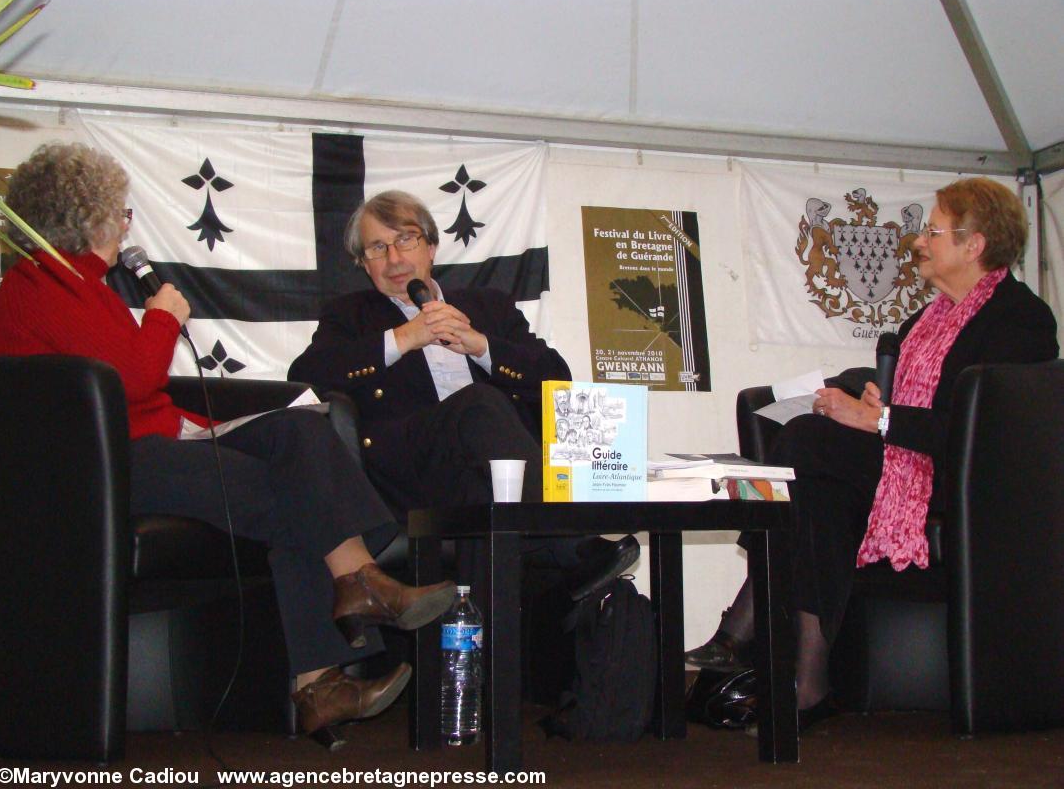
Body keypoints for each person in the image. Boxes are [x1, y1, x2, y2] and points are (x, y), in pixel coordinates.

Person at [0, 143, 457, 751]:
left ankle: (351, 609)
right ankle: (333, 653)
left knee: (301, 430)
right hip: (109, 465)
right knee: (294, 494)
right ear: (94, 219)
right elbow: (126, 383)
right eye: (123, 214)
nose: (126, 226)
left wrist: (203, 420)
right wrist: (161, 317)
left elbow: (137, 390)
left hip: (154, 440)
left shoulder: (81, 287)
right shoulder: (41, 286)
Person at [686, 177, 1059, 731]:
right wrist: (874, 404)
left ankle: (743, 627)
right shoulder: (921, 322)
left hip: (969, 482)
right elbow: (909, 410)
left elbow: (982, 430)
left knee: (809, 443)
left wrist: (878, 418)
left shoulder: (1020, 320)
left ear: (974, 243)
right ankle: (810, 680)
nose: (919, 243)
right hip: (904, 466)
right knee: (816, 490)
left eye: (933, 231)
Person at [288, 190, 639, 597]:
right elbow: (305, 377)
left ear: (432, 246)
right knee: (479, 403)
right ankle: (574, 547)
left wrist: (482, 347)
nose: (395, 258)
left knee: (481, 502)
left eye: (406, 239)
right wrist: (402, 338)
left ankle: (483, 651)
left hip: (492, 474)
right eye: (377, 248)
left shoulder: (488, 305)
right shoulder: (349, 315)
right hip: (408, 471)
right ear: (364, 264)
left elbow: (557, 380)